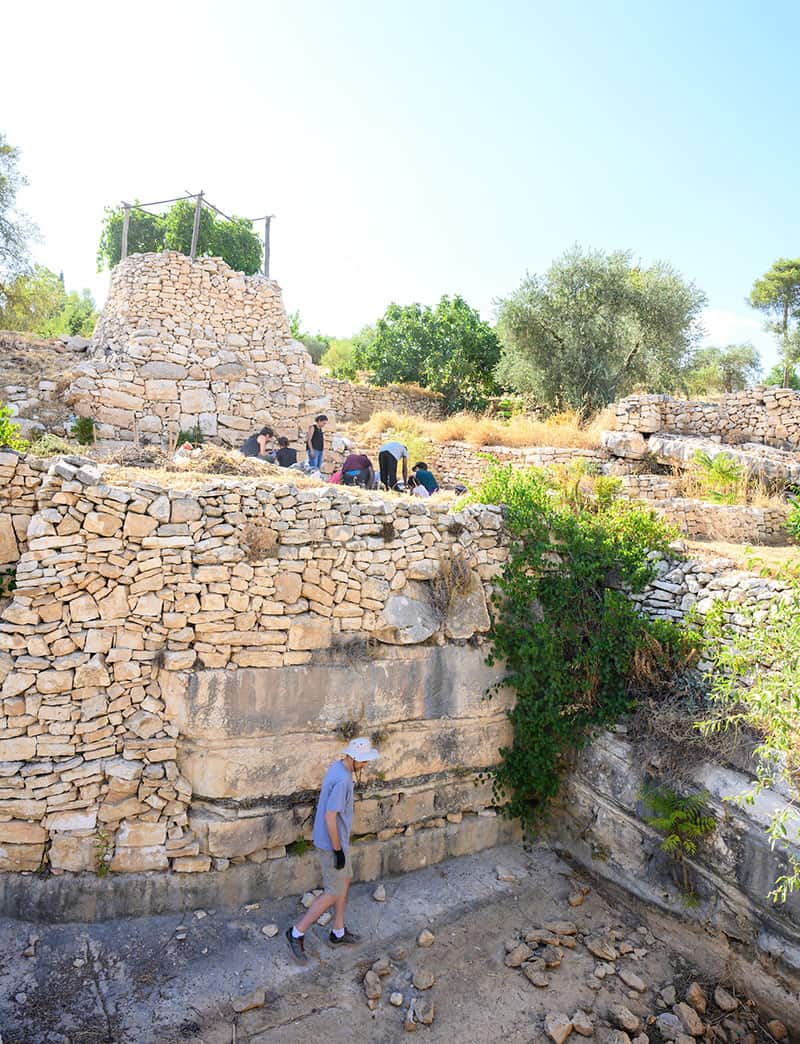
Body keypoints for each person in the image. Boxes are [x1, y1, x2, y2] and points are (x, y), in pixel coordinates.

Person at [286, 737, 380, 963]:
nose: (366, 765)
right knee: (333, 892)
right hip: (331, 844)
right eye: (364, 761)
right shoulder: (342, 781)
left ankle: (338, 932)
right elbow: (330, 818)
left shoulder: (339, 768)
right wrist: (337, 851)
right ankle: (296, 932)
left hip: (337, 842)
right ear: (355, 758)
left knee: (344, 881)